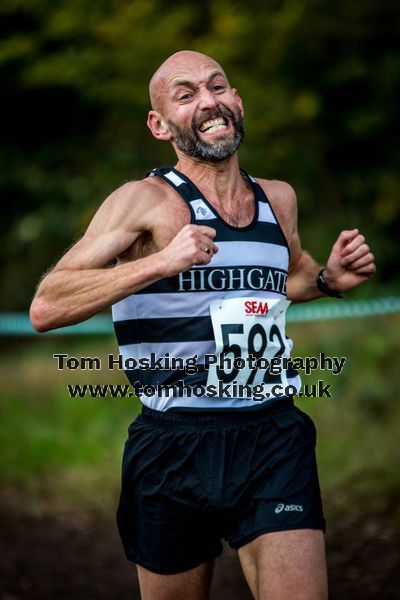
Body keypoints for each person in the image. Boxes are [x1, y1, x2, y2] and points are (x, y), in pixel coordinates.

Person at [30, 50, 375, 600]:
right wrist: (159, 263)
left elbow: (283, 277)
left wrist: (329, 279)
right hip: (173, 446)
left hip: (273, 437)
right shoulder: (143, 202)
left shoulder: (277, 200)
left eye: (218, 87)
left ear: (237, 101)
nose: (209, 101)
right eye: (186, 94)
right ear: (159, 124)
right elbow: (48, 305)